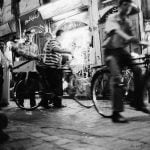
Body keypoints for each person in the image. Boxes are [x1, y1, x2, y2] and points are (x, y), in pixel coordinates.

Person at [103, 0, 150, 123]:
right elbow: (115, 31)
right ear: (120, 6)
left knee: (138, 70)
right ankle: (116, 113)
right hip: (111, 51)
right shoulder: (111, 18)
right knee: (117, 79)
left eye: (130, 5)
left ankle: (138, 102)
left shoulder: (128, 22)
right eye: (125, 4)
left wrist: (142, 42)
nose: (128, 7)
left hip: (122, 52)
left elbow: (133, 38)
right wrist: (128, 37)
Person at [40, 30, 71, 108]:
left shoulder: (58, 43)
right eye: (63, 36)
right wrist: (67, 51)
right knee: (55, 87)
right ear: (61, 35)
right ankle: (55, 103)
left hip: (55, 67)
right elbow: (55, 49)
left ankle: (54, 103)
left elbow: (58, 54)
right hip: (51, 68)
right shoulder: (52, 41)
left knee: (54, 87)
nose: (64, 38)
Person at [15, 30, 39, 107]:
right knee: (20, 85)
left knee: (32, 85)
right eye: (28, 36)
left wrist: (35, 58)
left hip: (32, 65)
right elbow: (20, 53)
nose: (29, 37)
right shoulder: (20, 45)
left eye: (31, 36)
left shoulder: (35, 46)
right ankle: (20, 103)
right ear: (25, 36)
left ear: (33, 36)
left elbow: (37, 56)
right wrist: (33, 56)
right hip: (22, 65)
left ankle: (33, 103)